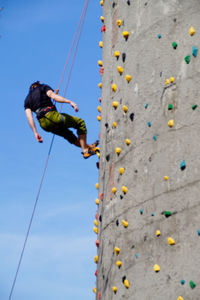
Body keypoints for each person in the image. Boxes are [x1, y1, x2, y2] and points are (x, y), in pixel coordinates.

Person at [24, 81, 98, 159]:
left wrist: (35, 133)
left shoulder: (27, 100)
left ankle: (89, 147)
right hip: (52, 116)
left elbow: (29, 117)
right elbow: (54, 97)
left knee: (69, 136)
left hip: (44, 125)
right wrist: (69, 102)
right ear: (37, 85)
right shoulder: (42, 87)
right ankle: (85, 151)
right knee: (80, 123)